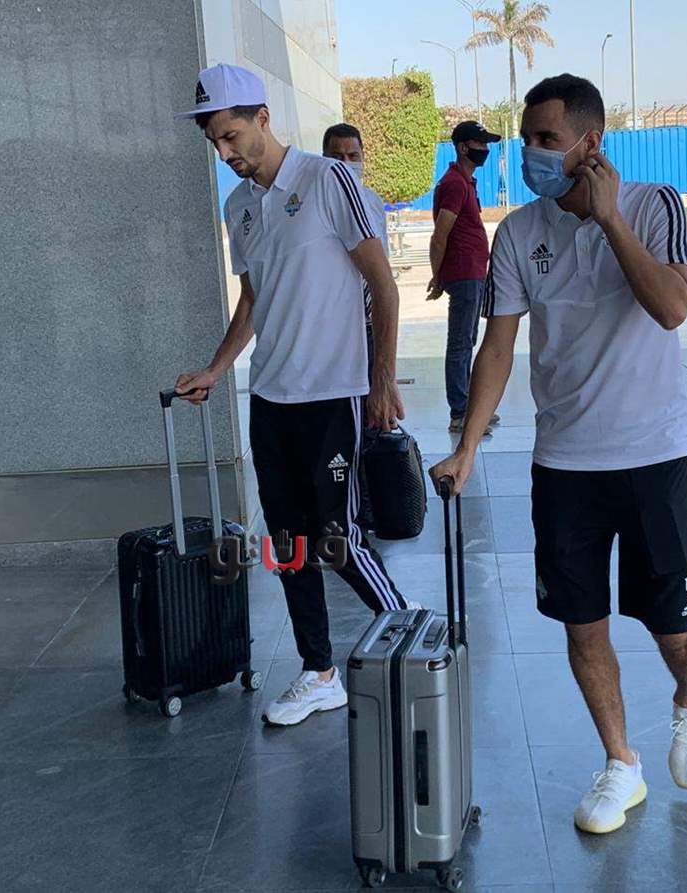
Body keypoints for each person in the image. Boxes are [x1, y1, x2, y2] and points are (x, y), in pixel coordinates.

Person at [430, 74, 687, 834]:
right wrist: (466, 447)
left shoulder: (654, 206)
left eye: (546, 140)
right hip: (563, 465)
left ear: (590, 144)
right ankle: (621, 761)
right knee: (582, 623)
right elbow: (498, 348)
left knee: (676, 631)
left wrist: (610, 217)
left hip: (654, 456)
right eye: (526, 137)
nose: (529, 152)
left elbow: (672, 308)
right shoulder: (517, 234)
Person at [173, 64, 414, 727]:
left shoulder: (327, 179)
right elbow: (253, 299)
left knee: (338, 536)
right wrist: (218, 368)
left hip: (334, 392)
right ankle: (319, 671)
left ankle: (418, 639)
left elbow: (382, 284)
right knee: (289, 543)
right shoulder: (240, 207)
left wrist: (382, 379)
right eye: (214, 143)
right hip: (271, 397)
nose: (225, 152)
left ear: (262, 118)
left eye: (231, 136)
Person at [428, 120, 502, 434]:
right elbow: (439, 235)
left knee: (467, 340)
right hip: (463, 273)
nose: (484, 149)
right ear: (463, 147)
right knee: (460, 343)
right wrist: (437, 276)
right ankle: (460, 412)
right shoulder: (455, 184)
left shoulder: (465, 182)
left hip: (472, 272)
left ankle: (470, 406)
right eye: (480, 144)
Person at [322, 123, 387, 384]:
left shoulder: (373, 202)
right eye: (337, 157)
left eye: (353, 156)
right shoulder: (317, 204)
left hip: (369, 323)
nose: (346, 164)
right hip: (334, 325)